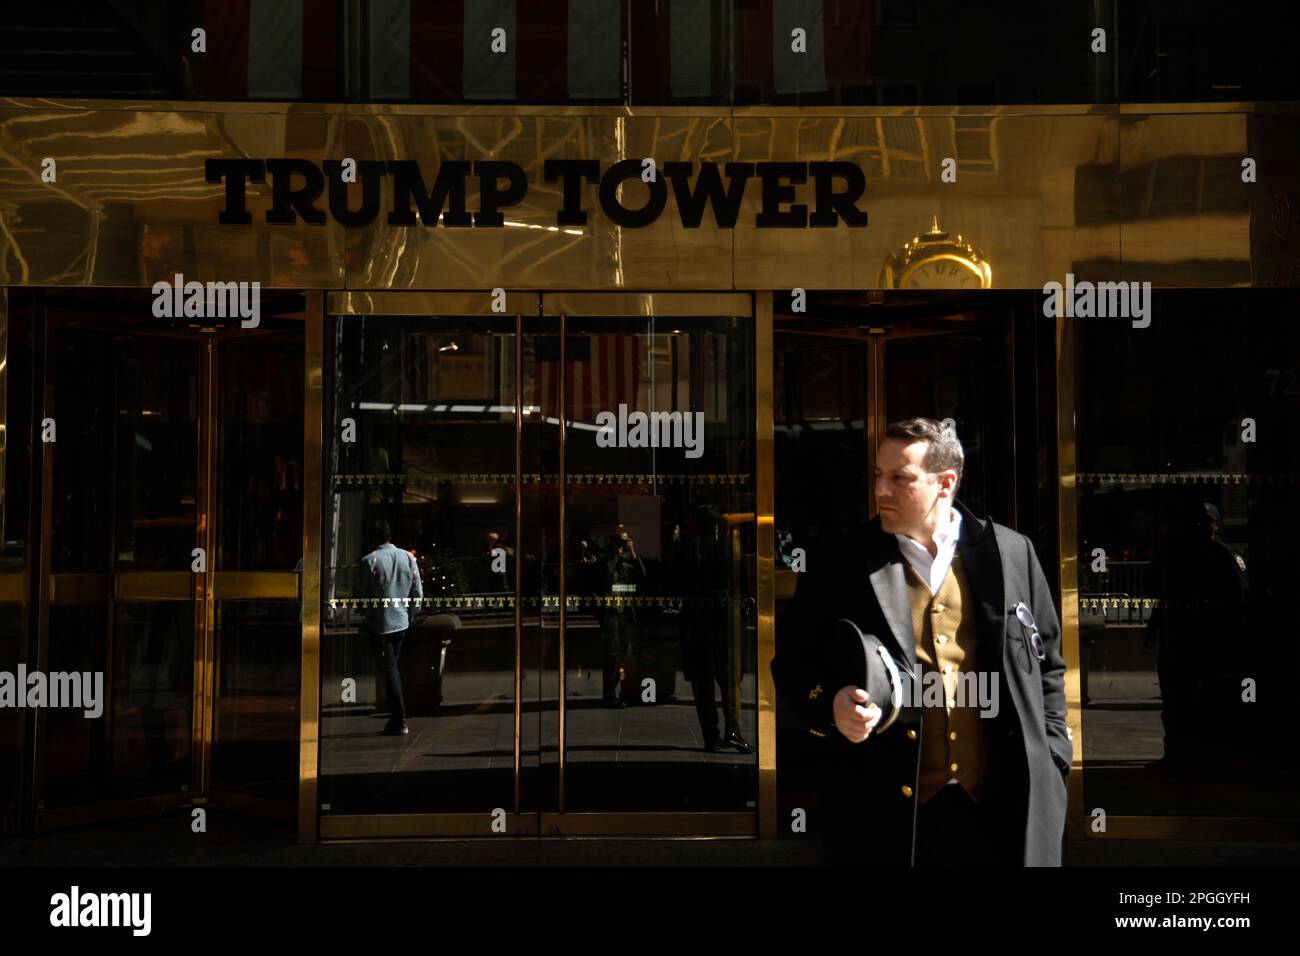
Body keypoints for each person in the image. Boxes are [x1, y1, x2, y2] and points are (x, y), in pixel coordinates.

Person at [771, 417, 1071, 866]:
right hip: (886, 816)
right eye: (878, 476)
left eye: (900, 478)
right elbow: (792, 667)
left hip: (999, 811)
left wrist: (1052, 757)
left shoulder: (1010, 553)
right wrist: (831, 705)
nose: (881, 491)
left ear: (944, 483)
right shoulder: (840, 562)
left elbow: (1047, 664)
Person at [360, 519, 424, 735]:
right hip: (401, 620)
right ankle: (396, 718)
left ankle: (398, 718)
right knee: (393, 666)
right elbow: (417, 590)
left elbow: (361, 594)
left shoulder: (369, 561)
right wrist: (412, 613)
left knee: (390, 669)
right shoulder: (408, 557)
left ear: (372, 537)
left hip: (380, 622)